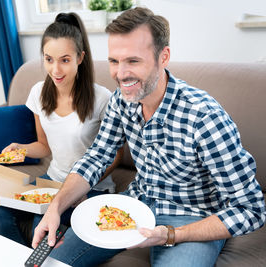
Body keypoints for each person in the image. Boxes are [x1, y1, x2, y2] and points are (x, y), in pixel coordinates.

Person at [32, 7, 266, 267]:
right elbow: (97, 157)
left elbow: (251, 210)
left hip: (192, 217)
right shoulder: (121, 101)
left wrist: (171, 235)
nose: (120, 74)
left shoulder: (205, 118)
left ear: (163, 57)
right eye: (114, 61)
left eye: (133, 61)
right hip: (135, 204)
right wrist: (56, 207)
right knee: (49, 262)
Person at [0, 12, 123, 247]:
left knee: (40, 229)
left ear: (80, 58)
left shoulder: (102, 98)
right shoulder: (38, 93)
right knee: (1, 213)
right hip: (52, 179)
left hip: (93, 187)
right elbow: (43, 146)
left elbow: (115, 155)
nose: (56, 70)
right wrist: (20, 149)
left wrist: (83, 185)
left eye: (64, 60)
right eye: (48, 59)